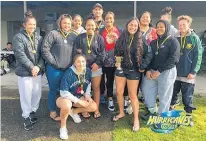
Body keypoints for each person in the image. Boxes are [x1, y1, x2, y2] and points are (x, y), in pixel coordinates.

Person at [112, 18, 153, 132]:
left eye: (135, 25)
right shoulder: (122, 37)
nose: (133, 27)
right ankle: (121, 113)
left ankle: (136, 119)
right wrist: (117, 60)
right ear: (127, 25)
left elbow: (149, 54)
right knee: (119, 92)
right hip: (121, 68)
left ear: (138, 27)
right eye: (131, 25)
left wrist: (142, 66)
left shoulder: (141, 38)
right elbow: (116, 51)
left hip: (134, 70)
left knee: (132, 95)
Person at [141, 20, 180, 120]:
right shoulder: (154, 42)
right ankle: (152, 111)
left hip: (166, 72)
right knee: (146, 89)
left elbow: (173, 59)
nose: (159, 29)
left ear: (166, 28)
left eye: (162, 27)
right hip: (152, 72)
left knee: (164, 94)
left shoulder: (173, 41)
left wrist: (159, 71)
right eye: (157, 27)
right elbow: (149, 57)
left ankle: (162, 116)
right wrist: (148, 69)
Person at [12, 10, 44, 130]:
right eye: (30, 24)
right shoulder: (18, 37)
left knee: (37, 93)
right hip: (25, 72)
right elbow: (20, 55)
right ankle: (25, 115)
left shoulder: (39, 37)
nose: (32, 26)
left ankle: (32, 111)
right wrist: (32, 67)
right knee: (26, 95)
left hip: (37, 72)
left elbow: (42, 54)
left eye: (34, 25)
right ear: (24, 25)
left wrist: (38, 67)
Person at [42, 14, 77, 121]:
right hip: (54, 69)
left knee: (68, 90)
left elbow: (77, 52)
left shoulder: (74, 36)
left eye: (68, 23)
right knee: (53, 90)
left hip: (68, 69)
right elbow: (45, 50)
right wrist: (54, 63)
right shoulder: (53, 34)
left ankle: (67, 110)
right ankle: (52, 112)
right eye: (64, 23)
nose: (66, 25)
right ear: (60, 23)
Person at [170, 15, 203, 126]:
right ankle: (172, 116)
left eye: (184, 24)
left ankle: (189, 117)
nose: (181, 26)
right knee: (173, 95)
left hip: (188, 74)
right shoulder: (175, 37)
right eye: (180, 25)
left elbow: (198, 56)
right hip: (174, 73)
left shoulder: (194, 38)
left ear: (189, 25)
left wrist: (193, 71)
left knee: (187, 97)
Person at [56, 54, 97, 140]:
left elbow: (88, 84)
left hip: (78, 96)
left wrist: (88, 95)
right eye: (78, 61)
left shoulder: (87, 71)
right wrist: (79, 101)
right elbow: (63, 92)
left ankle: (73, 112)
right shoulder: (69, 73)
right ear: (74, 63)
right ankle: (63, 128)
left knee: (93, 106)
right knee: (67, 105)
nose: (81, 64)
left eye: (83, 61)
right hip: (64, 98)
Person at [74, 18, 105, 119]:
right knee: (81, 89)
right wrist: (79, 65)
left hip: (96, 68)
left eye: (92, 25)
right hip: (82, 69)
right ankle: (84, 110)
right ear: (85, 26)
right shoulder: (79, 38)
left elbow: (102, 53)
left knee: (96, 89)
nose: (90, 27)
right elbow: (76, 53)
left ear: (95, 26)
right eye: (88, 25)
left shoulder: (99, 38)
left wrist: (97, 63)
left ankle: (96, 109)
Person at [99, 11, 122, 111]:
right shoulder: (100, 31)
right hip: (102, 58)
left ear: (114, 19)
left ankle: (110, 98)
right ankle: (102, 96)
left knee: (110, 80)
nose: (108, 20)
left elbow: (122, 45)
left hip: (114, 60)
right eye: (107, 18)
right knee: (100, 80)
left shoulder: (119, 30)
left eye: (110, 18)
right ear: (104, 20)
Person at [137, 11, 158, 103]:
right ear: (139, 19)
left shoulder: (154, 31)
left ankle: (147, 99)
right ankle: (132, 101)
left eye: (147, 17)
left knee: (148, 82)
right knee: (136, 82)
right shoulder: (135, 30)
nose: (145, 19)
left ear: (150, 19)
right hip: (137, 61)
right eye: (143, 17)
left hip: (150, 61)